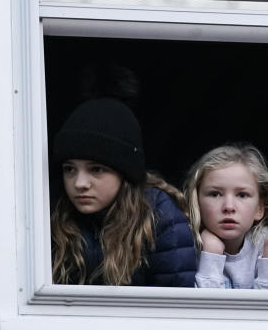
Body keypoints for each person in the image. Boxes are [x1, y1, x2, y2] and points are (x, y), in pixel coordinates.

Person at [50, 98, 196, 287]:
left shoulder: (158, 216)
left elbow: (174, 303)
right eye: (69, 169)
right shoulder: (54, 213)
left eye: (96, 169)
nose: (80, 183)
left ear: (124, 173)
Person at [183, 144, 268, 290]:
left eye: (242, 195)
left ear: (260, 208)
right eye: (215, 194)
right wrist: (211, 256)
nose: (229, 207)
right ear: (197, 202)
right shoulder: (186, 246)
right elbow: (200, 311)